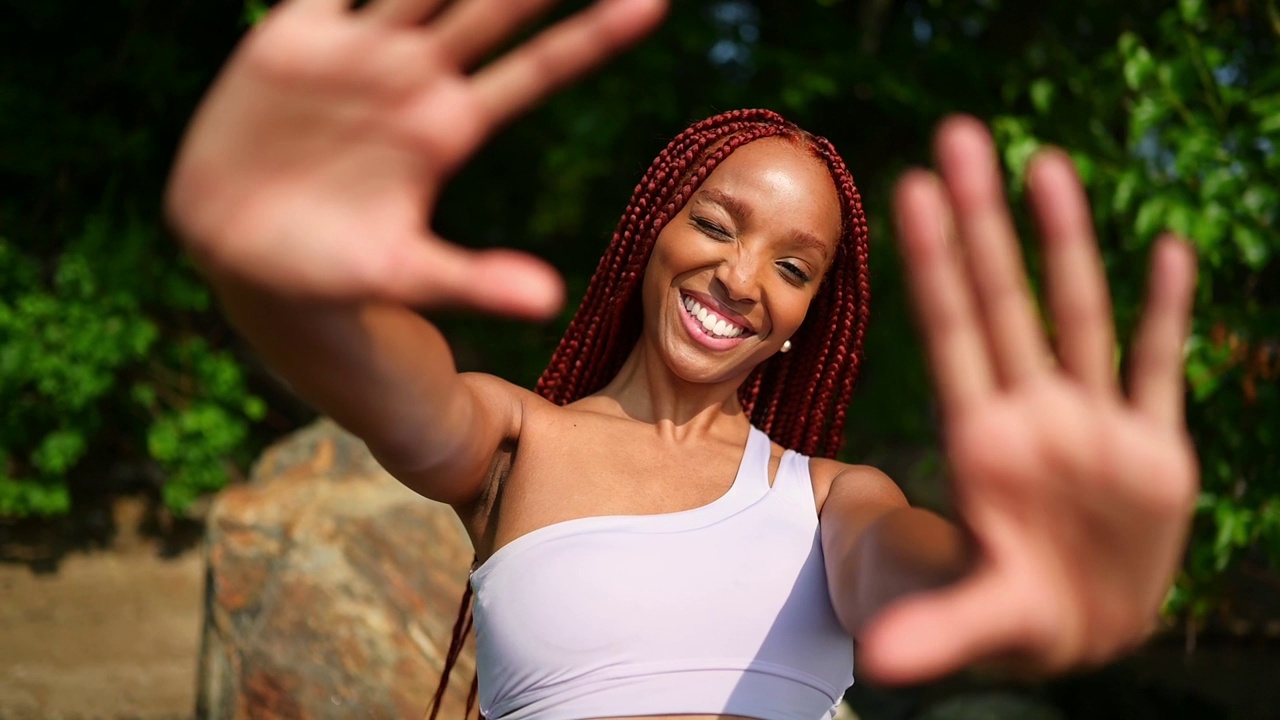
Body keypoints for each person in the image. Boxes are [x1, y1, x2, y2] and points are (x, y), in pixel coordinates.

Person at [166, 0, 1199, 718]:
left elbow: (920, 585)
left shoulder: (833, 502)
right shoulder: (516, 440)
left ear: (802, 320)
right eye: (715, 224)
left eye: (793, 268)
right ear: (650, 232)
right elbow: (379, 381)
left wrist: (1019, 574)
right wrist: (276, 278)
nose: (742, 277)